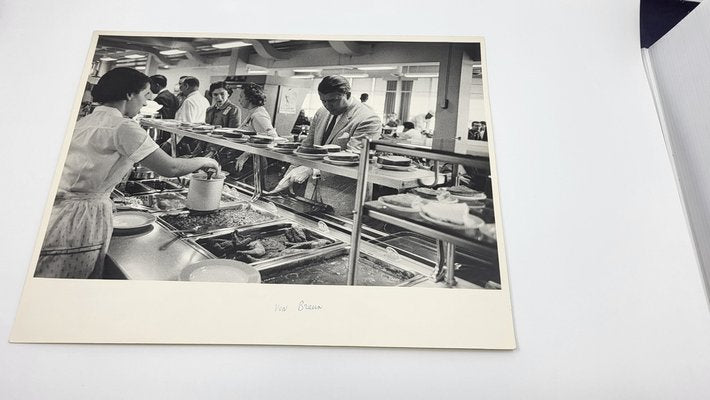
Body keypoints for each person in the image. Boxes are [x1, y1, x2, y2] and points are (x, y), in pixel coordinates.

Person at [34, 67, 218, 279]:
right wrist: (206, 160)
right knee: (70, 287)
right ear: (129, 94)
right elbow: (171, 168)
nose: (146, 101)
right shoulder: (123, 127)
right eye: (144, 94)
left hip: (59, 212)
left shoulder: (84, 122)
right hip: (82, 219)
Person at [272, 75, 381, 215]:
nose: (328, 105)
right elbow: (306, 147)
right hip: (313, 192)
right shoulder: (322, 112)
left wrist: (310, 169)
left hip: (343, 195)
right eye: (323, 100)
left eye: (332, 100)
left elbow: (353, 157)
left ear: (347, 95)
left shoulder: (368, 118)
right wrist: (287, 178)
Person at [231, 83, 279, 172]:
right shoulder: (253, 112)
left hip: (255, 160)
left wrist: (245, 156)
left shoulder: (258, 115)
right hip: (250, 159)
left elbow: (272, 138)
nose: (239, 100)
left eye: (241, 96)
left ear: (249, 98)